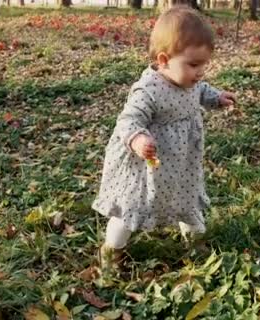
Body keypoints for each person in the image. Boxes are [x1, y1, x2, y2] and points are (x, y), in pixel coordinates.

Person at [92, 5, 236, 271]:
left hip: (181, 164)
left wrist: (216, 98)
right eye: (194, 64)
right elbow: (128, 120)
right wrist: (137, 140)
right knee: (130, 211)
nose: (201, 71)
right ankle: (112, 251)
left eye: (205, 64)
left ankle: (196, 243)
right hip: (146, 166)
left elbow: (201, 90)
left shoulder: (190, 81)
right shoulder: (149, 90)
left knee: (186, 200)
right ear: (163, 60)